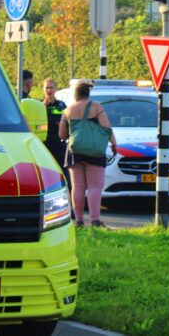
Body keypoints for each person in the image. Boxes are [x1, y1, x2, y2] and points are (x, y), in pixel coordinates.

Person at [59, 80, 117, 228]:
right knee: (94, 187)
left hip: (75, 152)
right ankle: (95, 220)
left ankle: (78, 221)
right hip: (94, 152)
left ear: (75, 95)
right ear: (88, 93)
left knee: (77, 187)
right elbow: (107, 128)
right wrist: (114, 144)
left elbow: (62, 134)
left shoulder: (68, 110)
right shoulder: (96, 107)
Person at [41, 78, 68, 179]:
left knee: (62, 170)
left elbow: (68, 120)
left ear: (56, 89)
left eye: (51, 87)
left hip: (59, 142)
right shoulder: (39, 105)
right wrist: (43, 106)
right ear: (43, 90)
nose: (49, 90)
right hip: (45, 142)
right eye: (47, 88)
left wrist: (61, 124)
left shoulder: (61, 105)